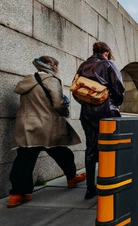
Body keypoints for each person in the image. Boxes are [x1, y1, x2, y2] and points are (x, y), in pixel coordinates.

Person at [8, 56, 85, 208]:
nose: (57, 68)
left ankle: (17, 194)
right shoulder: (51, 80)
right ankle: (71, 178)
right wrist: (65, 107)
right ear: (51, 65)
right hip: (46, 126)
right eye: (56, 64)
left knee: (24, 159)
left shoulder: (27, 80)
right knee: (63, 153)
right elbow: (58, 103)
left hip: (27, 126)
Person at [74, 42, 125, 199]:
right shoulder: (108, 64)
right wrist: (114, 102)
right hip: (107, 111)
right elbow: (118, 89)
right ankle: (108, 181)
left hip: (87, 113)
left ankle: (90, 188)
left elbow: (76, 90)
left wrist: (88, 103)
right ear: (106, 53)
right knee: (111, 147)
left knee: (90, 147)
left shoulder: (83, 66)